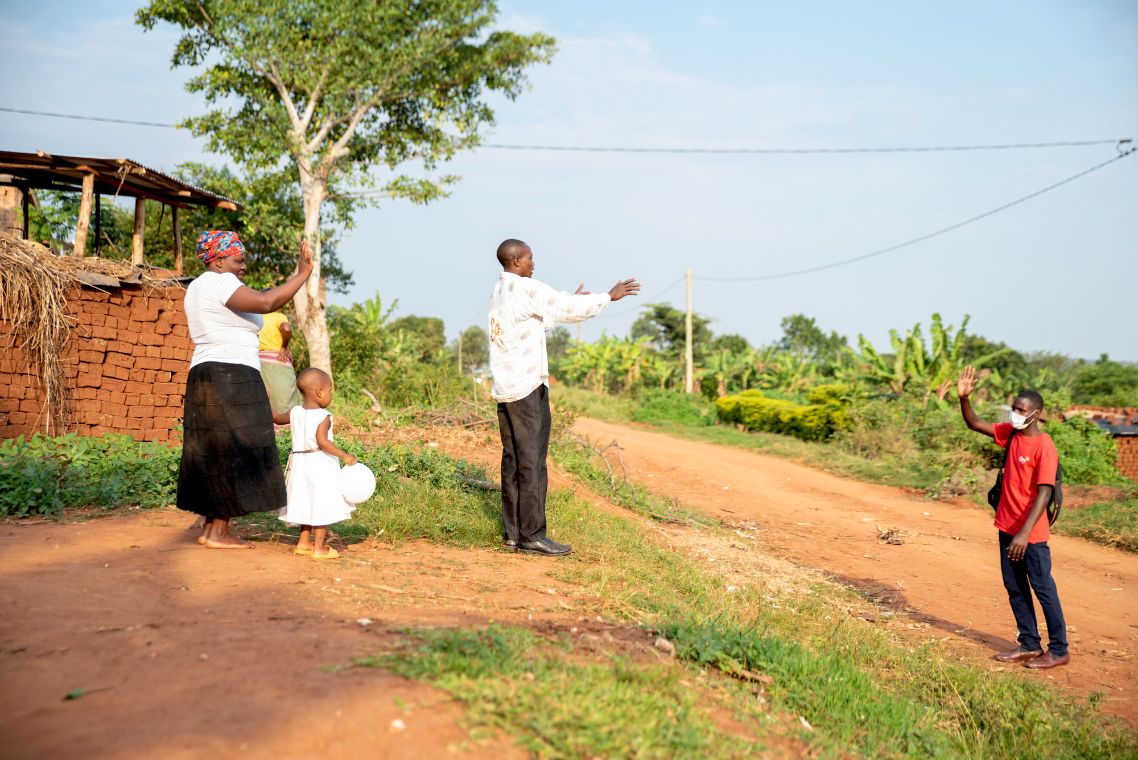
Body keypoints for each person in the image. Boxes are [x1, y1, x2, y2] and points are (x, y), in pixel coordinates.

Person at [488, 238, 640, 556]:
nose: (534, 263)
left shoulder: (501, 291)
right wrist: (608, 297)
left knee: (513, 460)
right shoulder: (524, 288)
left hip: (507, 388)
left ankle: (514, 533)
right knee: (531, 462)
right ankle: (533, 536)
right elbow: (562, 307)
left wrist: (573, 300)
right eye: (530, 258)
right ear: (516, 261)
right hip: (527, 387)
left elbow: (534, 322)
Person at [178, 231, 313, 549]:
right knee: (236, 447)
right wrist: (305, 274)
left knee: (218, 448)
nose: (243, 267)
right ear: (219, 260)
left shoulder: (199, 286)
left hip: (207, 372)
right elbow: (268, 301)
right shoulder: (221, 282)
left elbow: (263, 296)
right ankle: (219, 532)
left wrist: (296, 271)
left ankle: (213, 528)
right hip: (231, 373)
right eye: (238, 260)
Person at [957, 366, 1070, 669]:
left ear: (1036, 414)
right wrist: (964, 398)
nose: (1015, 414)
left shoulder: (1044, 446)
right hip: (1006, 526)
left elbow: (1044, 492)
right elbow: (973, 422)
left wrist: (1023, 534)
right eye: (1014, 408)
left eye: (1021, 410)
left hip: (1030, 534)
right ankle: (1029, 644)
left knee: (1043, 588)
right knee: (1015, 587)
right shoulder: (1010, 435)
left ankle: (1059, 650)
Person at [273, 368, 357, 560]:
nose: (330, 396)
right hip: (319, 464)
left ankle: (303, 543)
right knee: (320, 505)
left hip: (299, 465)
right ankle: (319, 548)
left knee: (306, 502)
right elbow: (323, 442)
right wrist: (344, 455)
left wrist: (266, 400)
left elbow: (276, 418)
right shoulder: (323, 416)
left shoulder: (295, 412)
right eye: (329, 391)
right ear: (319, 392)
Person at [258, 310, 301, 417]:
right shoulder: (278, 316)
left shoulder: (258, 317)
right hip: (278, 358)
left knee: (268, 395)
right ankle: (288, 426)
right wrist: (284, 347)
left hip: (260, 358)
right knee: (285, 396)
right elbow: (286, 329)